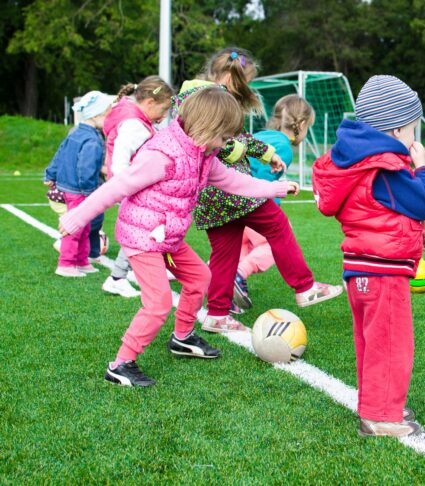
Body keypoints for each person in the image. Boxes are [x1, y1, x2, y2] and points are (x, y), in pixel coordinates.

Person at [58, 87, 299, 387]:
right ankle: (120, 364)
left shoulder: (204, 154)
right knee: (158, 302)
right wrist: (77, 218)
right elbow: (117, 187)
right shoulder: (162, 155)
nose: (228, 145)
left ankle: (182, 338)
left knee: (200, 278)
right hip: (142, 237)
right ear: (207, 127)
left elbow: (233, 181)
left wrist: (275, 188)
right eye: (225, 137)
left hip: (168, 237)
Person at [174, 48, 342, 333]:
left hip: (210, 195)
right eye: (244, 82)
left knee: (225, 253)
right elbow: (220, 143)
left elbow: (237, 137)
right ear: (229, 77)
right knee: (277, 225)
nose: (245, 89)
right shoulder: (209, 99)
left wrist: (267, 154)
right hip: (230, 189)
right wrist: (246, 154)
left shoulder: (195, 95)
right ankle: (304, 287)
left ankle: (216, 314)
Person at [312, 75, 425, 437]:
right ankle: (381, 417)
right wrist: (424, 168)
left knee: (372, 344)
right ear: (397, 128)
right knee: (390, 344)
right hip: (382, 274)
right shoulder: (385, 166)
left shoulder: (358, 162)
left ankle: (377, 403)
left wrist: (414, 236)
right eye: (413, 129)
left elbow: (377, 212)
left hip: (362, 269)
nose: (414, 138)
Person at [232, 94, 317, 311]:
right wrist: (278, 190)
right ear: (303, 124)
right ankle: (239, 275)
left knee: (239, 247)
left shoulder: (261, 135)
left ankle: (225, 293)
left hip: (231, 201)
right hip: (252, 204)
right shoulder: (284, 148)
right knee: (274, 243)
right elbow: (261, 178)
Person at [100, 75, 175, 298]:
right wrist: (127, 186)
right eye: (163, 110)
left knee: (150, 228)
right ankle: (117, 277)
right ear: (150, 103)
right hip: (132, 188)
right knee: (141, 231)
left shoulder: (136, 119)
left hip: (134, 186)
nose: (163, 118)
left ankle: (137, 270)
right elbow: (121, 159)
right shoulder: (134, 125)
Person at [45, 90, 116, 277]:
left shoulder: (75, 131)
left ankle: (82, 261)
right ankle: (66, 264)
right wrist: (90, 191)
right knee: (76, 227)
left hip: (72, 187)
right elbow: (86, 168)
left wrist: (50, 173)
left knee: (84, 226)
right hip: (81, 190)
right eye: (107, 114)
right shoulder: (92, 139)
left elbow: (59, 153)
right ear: (97, 115)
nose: (109, 119)